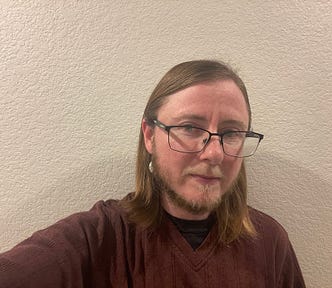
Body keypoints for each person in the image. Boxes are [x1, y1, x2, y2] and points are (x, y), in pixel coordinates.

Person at [0, 60, 306, 287]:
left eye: (232, 132)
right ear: (149, 136)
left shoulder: (269, 243)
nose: (214, 153)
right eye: (189, 127)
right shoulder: (101, 238)